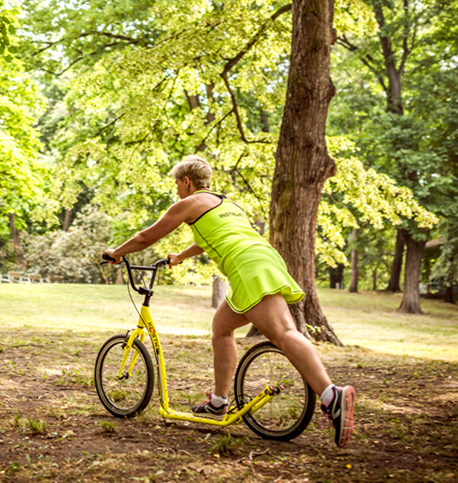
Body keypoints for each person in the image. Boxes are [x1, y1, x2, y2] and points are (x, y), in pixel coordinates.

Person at [103, 155, 355, 447]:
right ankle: (219, 402)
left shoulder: (188, 204)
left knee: (285, 333)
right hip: (262, 258)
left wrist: (117, 252)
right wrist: (181, 256)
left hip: (248, 267)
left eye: (176, 184)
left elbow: (147, 237)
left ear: (186, 182)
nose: (176, 191)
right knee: (221, 328)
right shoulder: (228, 204)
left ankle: (330, 395)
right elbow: (213, 237)